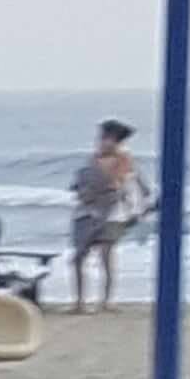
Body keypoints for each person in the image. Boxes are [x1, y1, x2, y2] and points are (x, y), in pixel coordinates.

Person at [66, 121, 140, 311]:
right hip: (88, 212)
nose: (105, 143)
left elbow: (119, 183)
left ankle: (106, 300)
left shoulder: (123, 160)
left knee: (106, 257)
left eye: (110, 140)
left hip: (112, 213)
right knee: (78, 258)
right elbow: (80, 185)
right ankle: (79, 301)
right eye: (103, 139)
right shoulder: (92, 160)